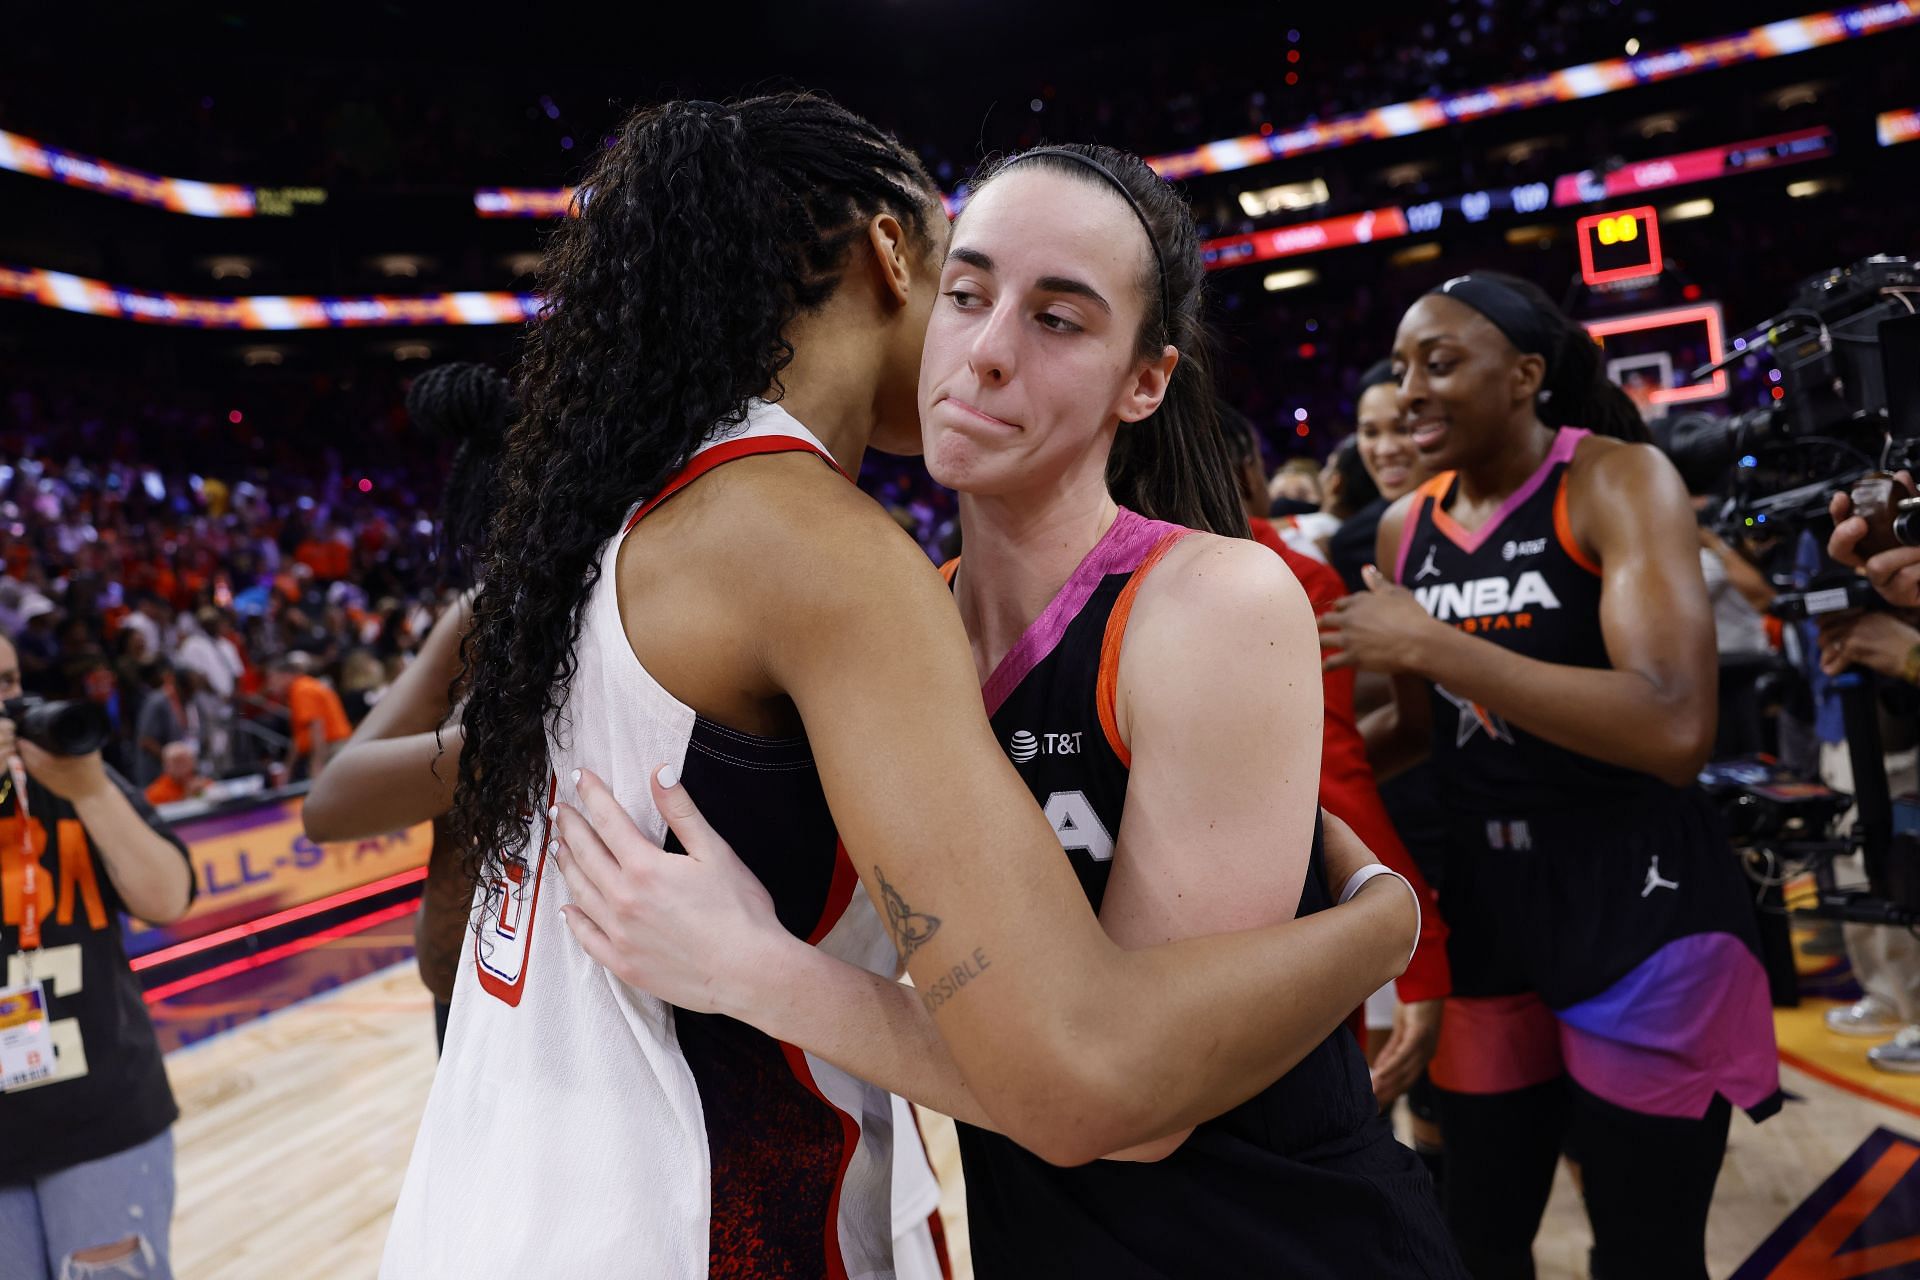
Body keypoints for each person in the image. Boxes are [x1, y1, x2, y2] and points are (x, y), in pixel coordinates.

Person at [383, 96, 1417, 1279]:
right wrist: (1378, 925)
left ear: (1147, 379)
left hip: (501, 1207)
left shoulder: (636, 522)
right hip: (693, 1211)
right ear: (892, 255)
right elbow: (1086, 1077)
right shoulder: (830, 558)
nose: (980, 346)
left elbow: (1111, 1094)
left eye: (1060, 317)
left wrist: (764, 970)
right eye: (964, 289)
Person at [1321, 271, 1781, 1279]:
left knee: (1645, 1247)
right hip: (1491, 896)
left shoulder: (1617, 479)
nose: (1408, 392)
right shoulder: (1409, 527)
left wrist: (1436, 644)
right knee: (1477, 1238)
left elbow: (1671, 723)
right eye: (1400, 369)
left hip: (1642, 895)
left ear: (1526, 374)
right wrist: (1295, 776)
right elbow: (1414, 731)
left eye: (1439, 363)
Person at [0, 634, 196, 1280]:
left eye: (6, 683)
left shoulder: (68, 773)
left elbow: (167, 898)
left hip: (102, 1114)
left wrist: (89, 790)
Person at [1328, 360, 1423, 593]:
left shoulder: (1485, 516)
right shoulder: (1350, 544)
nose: (1385, 449)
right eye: (1370, 433)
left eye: (1402, 429)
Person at [266, 653, 350, 782]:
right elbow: (299, 738)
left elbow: (317, 727)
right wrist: (288, 768)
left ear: (286, 676)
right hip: (332, 747)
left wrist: (316, 765)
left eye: (272, 678)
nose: (270, 685)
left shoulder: (301, 690)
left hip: (333, 748)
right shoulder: (303, 687)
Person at [144, 740, 211, 806]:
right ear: (166, 766)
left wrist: (203, 792)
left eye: (185, 761)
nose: (181, 767)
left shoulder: (204, 784)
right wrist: (187, 796)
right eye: (176, 762)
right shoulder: (156, 793)